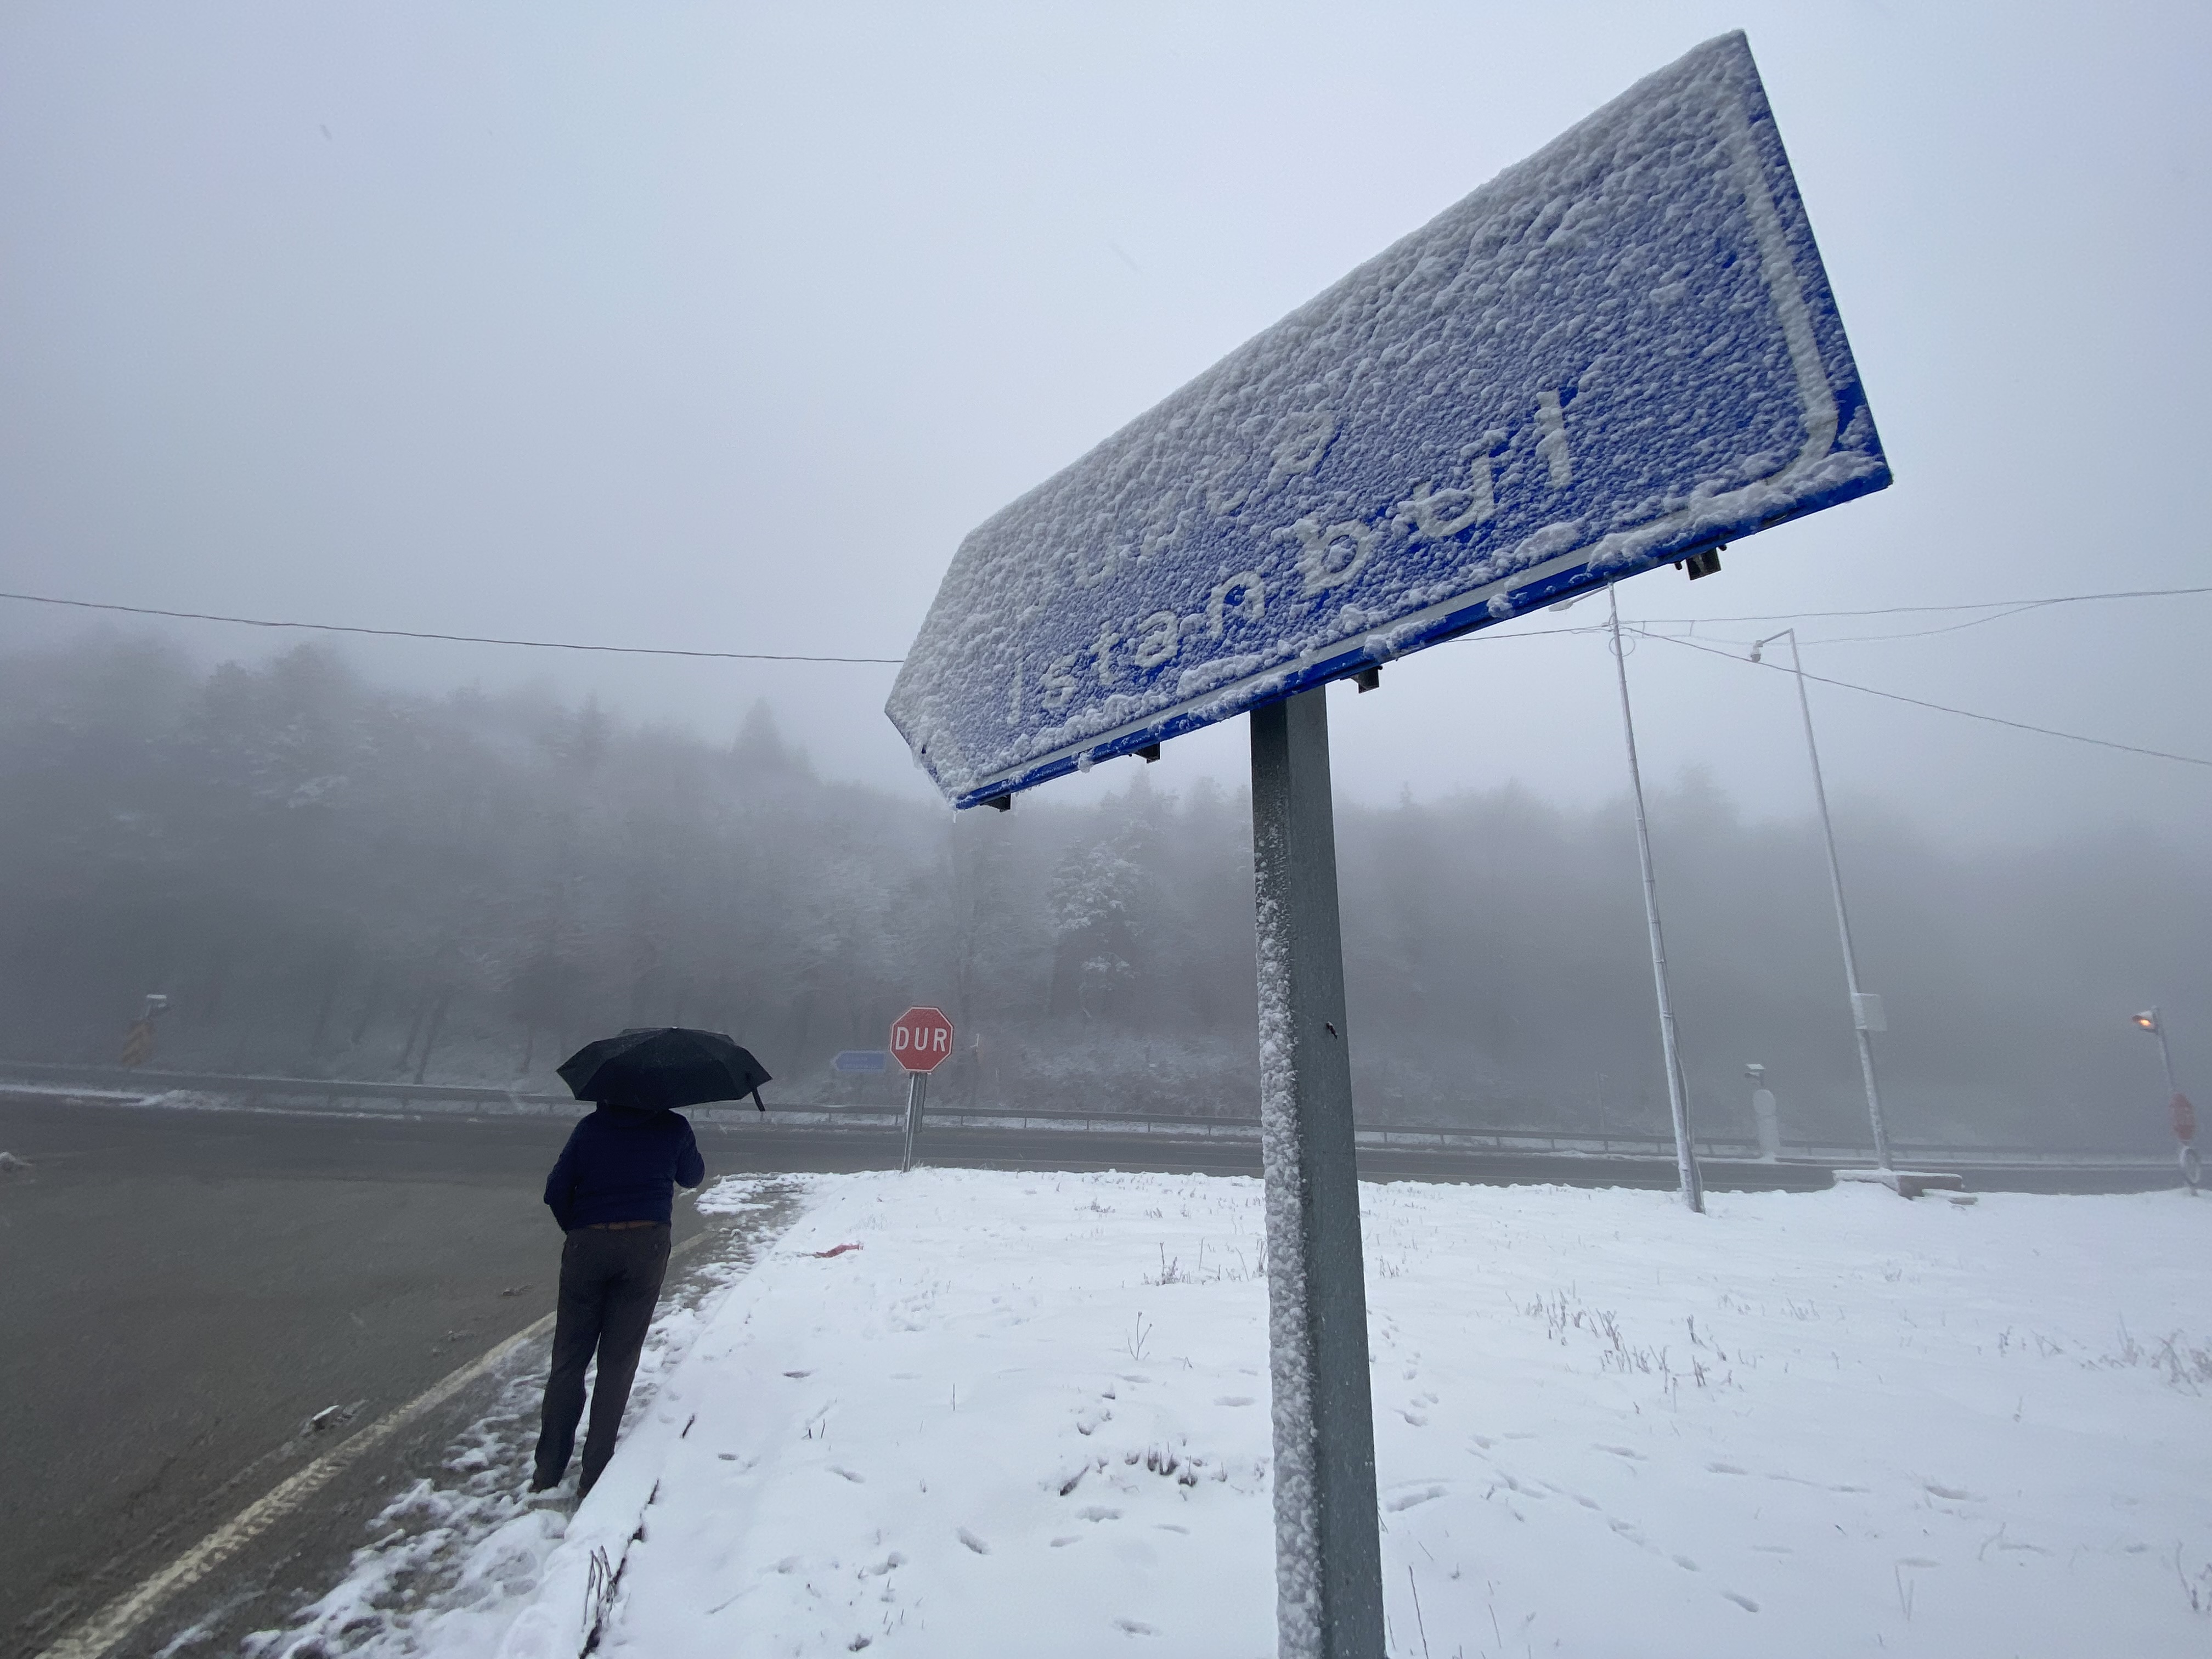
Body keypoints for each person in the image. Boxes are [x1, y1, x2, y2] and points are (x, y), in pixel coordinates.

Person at [532, 1096, 706, 1497]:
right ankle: (595, 1471)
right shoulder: (673, 1127)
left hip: (588, 1245)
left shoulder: (591, 1129)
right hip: (646, 1244)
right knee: (618, 1359)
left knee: (569, 1359)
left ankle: (548, 1470)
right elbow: (693, 1176)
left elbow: (556, 1189)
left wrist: (579, 1228)